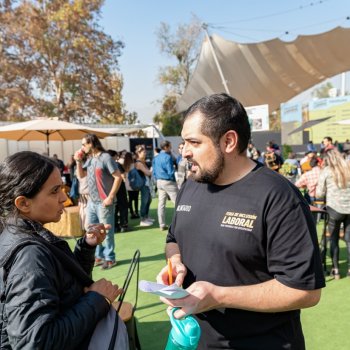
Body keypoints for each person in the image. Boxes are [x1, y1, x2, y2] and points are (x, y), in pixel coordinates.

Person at [157, 93, 325, 349]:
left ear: (229, 141)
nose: (185, 152)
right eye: (183, 143)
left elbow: (305, 290)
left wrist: (218, 296)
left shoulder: (278, 196)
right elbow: (174, 239)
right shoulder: (191, 185)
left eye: (193, 142)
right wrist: (175, 263)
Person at [0, 151, 122, 349]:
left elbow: (62, 285)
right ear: (23, 203)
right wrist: (97, 299)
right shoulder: (29, 256)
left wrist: (86, 246)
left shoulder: (18, 233)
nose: (64, 198)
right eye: (54, 191)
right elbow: (35, 342)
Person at [75, 134, 123, 270]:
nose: (82, 147)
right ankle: (99, 256)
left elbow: (118, 177)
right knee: (91, 230)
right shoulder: (90, 159)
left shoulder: (105, 158)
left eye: (84, 144)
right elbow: (82, 175)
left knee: (106, 231)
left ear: (92, 143)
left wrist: (110, 197)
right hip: (92, 201)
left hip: (103, 202)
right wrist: (78, 161)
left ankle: (110, 258)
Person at [316, 149, 350, 279]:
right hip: (349, 208)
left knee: (334, 239)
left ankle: (335, 270)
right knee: (349, 240)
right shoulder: (348, 168)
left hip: (334, 209)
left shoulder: (327, 171)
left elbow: (319, 193)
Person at [152, 140, 179, 231]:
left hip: (159, 181)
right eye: (170, 146)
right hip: (168, 181)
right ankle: (180, 223)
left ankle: (162, 224)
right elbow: (170, 171)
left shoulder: (156, 157)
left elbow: (154, 171)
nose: (171, 148)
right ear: (166, 147)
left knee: (161, 204)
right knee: (178, 202)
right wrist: (174, 180)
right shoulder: (167, 157)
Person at [134, 144, 154, 226]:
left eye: (145, 152)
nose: (145, 153)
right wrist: (152, 168)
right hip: (143, 185)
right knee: (144, 201)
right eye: (143, 152)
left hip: (147, 184)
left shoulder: (143, 162)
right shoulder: (139, 163)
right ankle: (143, 219)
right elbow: (148, 172)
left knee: (148, 200)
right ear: (138, 153)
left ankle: (146, 217)